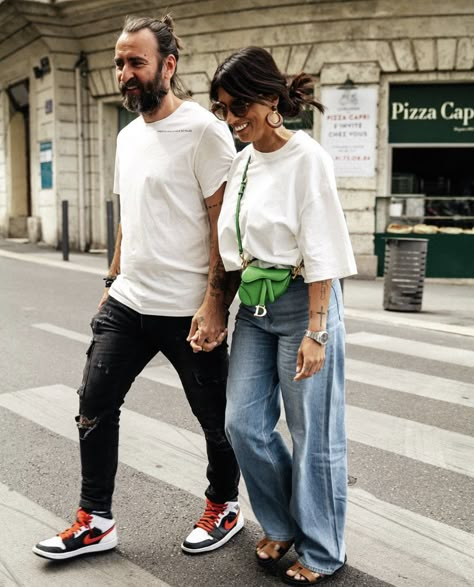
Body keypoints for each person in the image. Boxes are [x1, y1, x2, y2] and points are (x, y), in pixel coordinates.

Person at [33, 15, 243, 561]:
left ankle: (224, 504)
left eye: (136, 62)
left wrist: (215, 305)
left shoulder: (203, 131)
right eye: (120, 63)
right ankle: (95, 520)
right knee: (94, 405)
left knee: (215, 418)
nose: (124, 73)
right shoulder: (127, 137)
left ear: (168, 66)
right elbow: (130, 215)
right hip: (129, 301)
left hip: (189, 309)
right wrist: (112, 279)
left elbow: (224, 225)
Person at [210, 47, 357, 584]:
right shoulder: (244, 160)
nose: (230, 119)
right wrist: (217, 306)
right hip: (255, 304)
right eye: (222, 109)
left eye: (237, 107)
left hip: (304, 304)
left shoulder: (308, 157)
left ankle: (322, 549)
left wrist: (318, 331)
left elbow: (323, 248)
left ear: (269, 99)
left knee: (312, 432)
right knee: (243, 424)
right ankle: (283, 522)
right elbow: (229, 242)